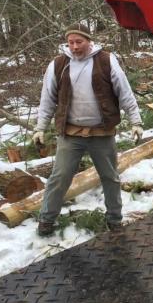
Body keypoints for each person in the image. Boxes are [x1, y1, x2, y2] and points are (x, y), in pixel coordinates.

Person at [32, 24, 143, 236]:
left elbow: (124, 92)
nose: (74, 47)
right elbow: (47, 98)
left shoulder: (105, 60)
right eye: (70, 42)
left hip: (101, 132)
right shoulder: (58, 64)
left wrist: (135, 121)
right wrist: (40, 128)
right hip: (71, 133)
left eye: (78, 42)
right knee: (60, 176)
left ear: (88, 41)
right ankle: (46, 219)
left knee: (110, 177)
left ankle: (115, 220)